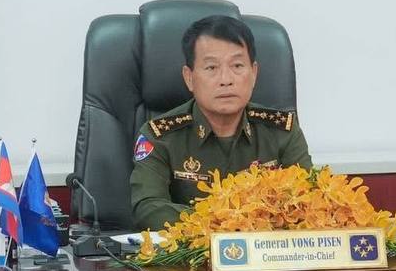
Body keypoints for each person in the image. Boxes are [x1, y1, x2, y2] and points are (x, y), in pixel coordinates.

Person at [129, 15, 311, 230]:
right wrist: (225, 222)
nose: (226, 79)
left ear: (254, 73)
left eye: (237, 65)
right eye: (211, 68)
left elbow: (307, 201)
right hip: (192, 248)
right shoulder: (160, 136)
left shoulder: (282, 131)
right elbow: (148, 208)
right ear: (189, 78)